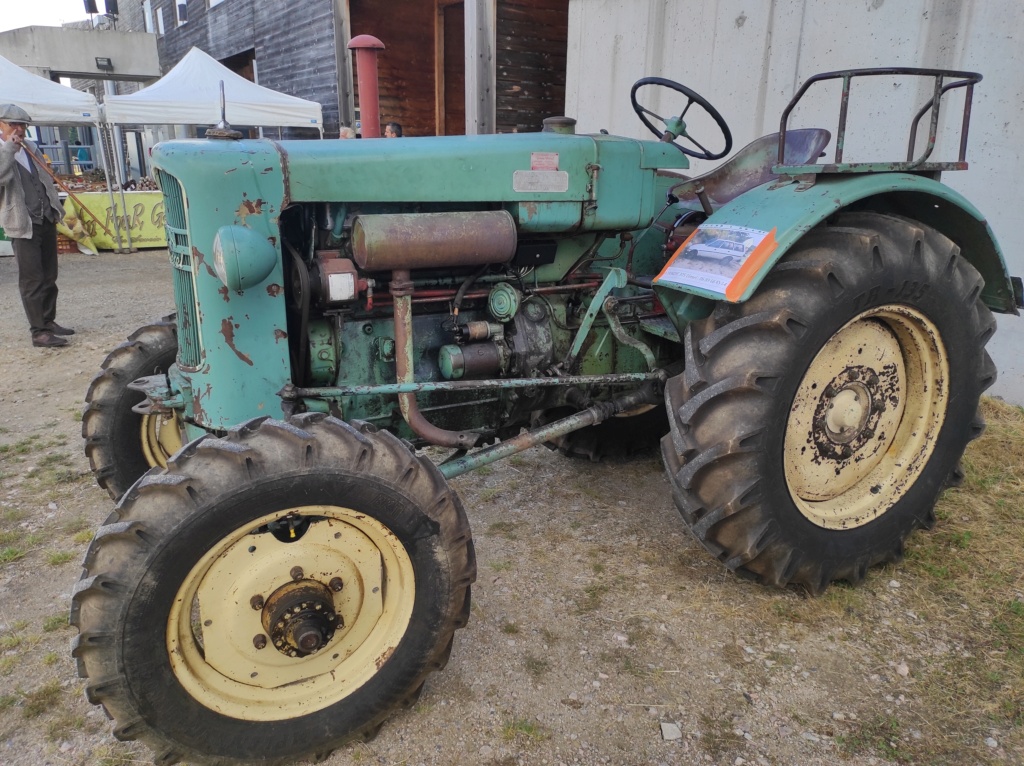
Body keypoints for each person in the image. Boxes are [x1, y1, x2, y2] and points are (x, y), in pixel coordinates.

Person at [0, 104, 74, 348]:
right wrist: (10, 148)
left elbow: (43, 180)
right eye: (13, 124)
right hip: (23, 224)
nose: (19, 129)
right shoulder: (5, 150)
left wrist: (55, 208)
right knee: (31, 280)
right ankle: (38, 331)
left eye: (23, 125)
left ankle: (49, 321)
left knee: (49, 276)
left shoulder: (30, 147)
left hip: (45, 218)